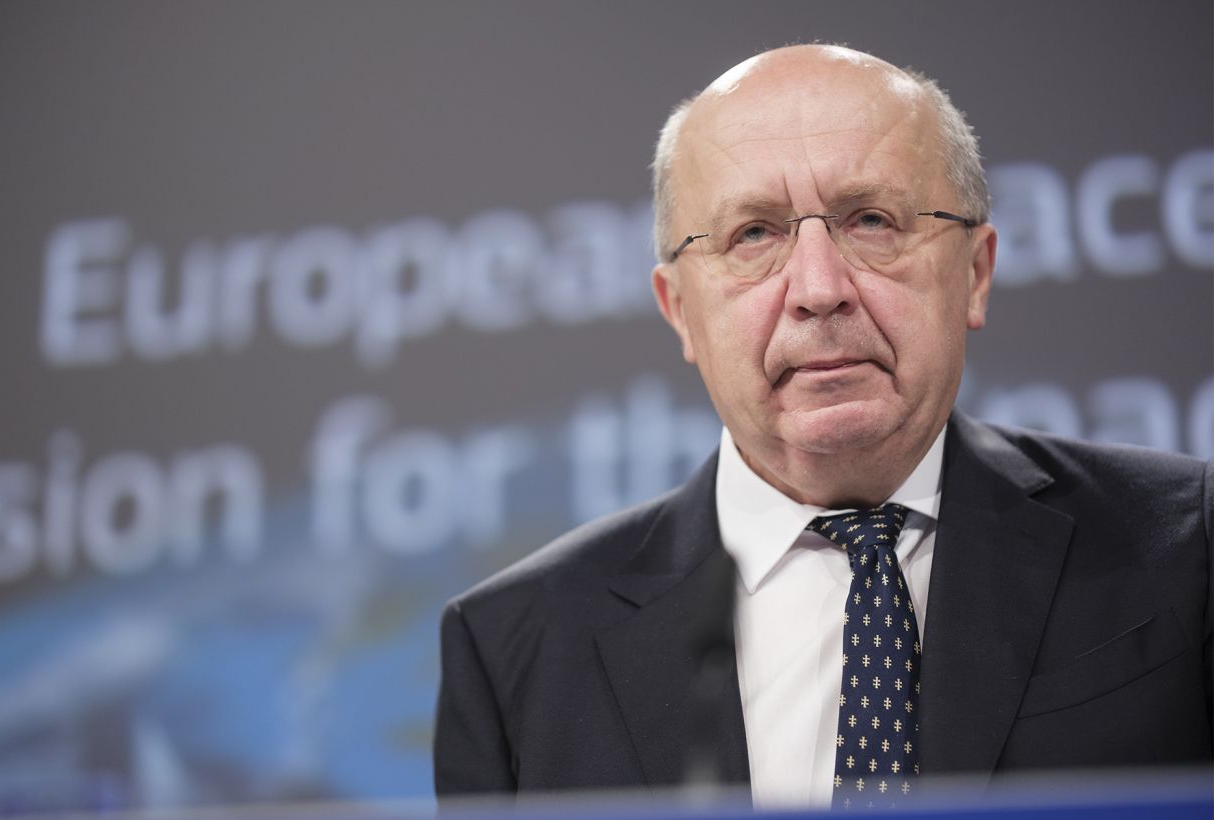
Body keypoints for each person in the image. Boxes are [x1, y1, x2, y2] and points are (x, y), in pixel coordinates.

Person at [433, 44, 1213, 809]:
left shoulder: (1186, 545)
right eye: (753, 234)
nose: (818, 288)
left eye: (872, 220)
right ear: (680, 311)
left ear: (974, 273)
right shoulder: (511, 647)